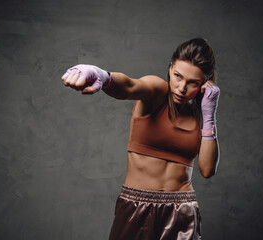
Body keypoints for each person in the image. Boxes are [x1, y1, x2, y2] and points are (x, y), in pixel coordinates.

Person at [61, 38, 220, 240]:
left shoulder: (200, 116)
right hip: (137, 205)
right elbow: (129, 86)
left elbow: (207, 169)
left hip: (183, 210)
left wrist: (209, 116)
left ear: (204, 83)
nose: (181, 88)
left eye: (192, 83)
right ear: (170, 68)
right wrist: (104, 76)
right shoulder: (157, 92)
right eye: (178, 76)